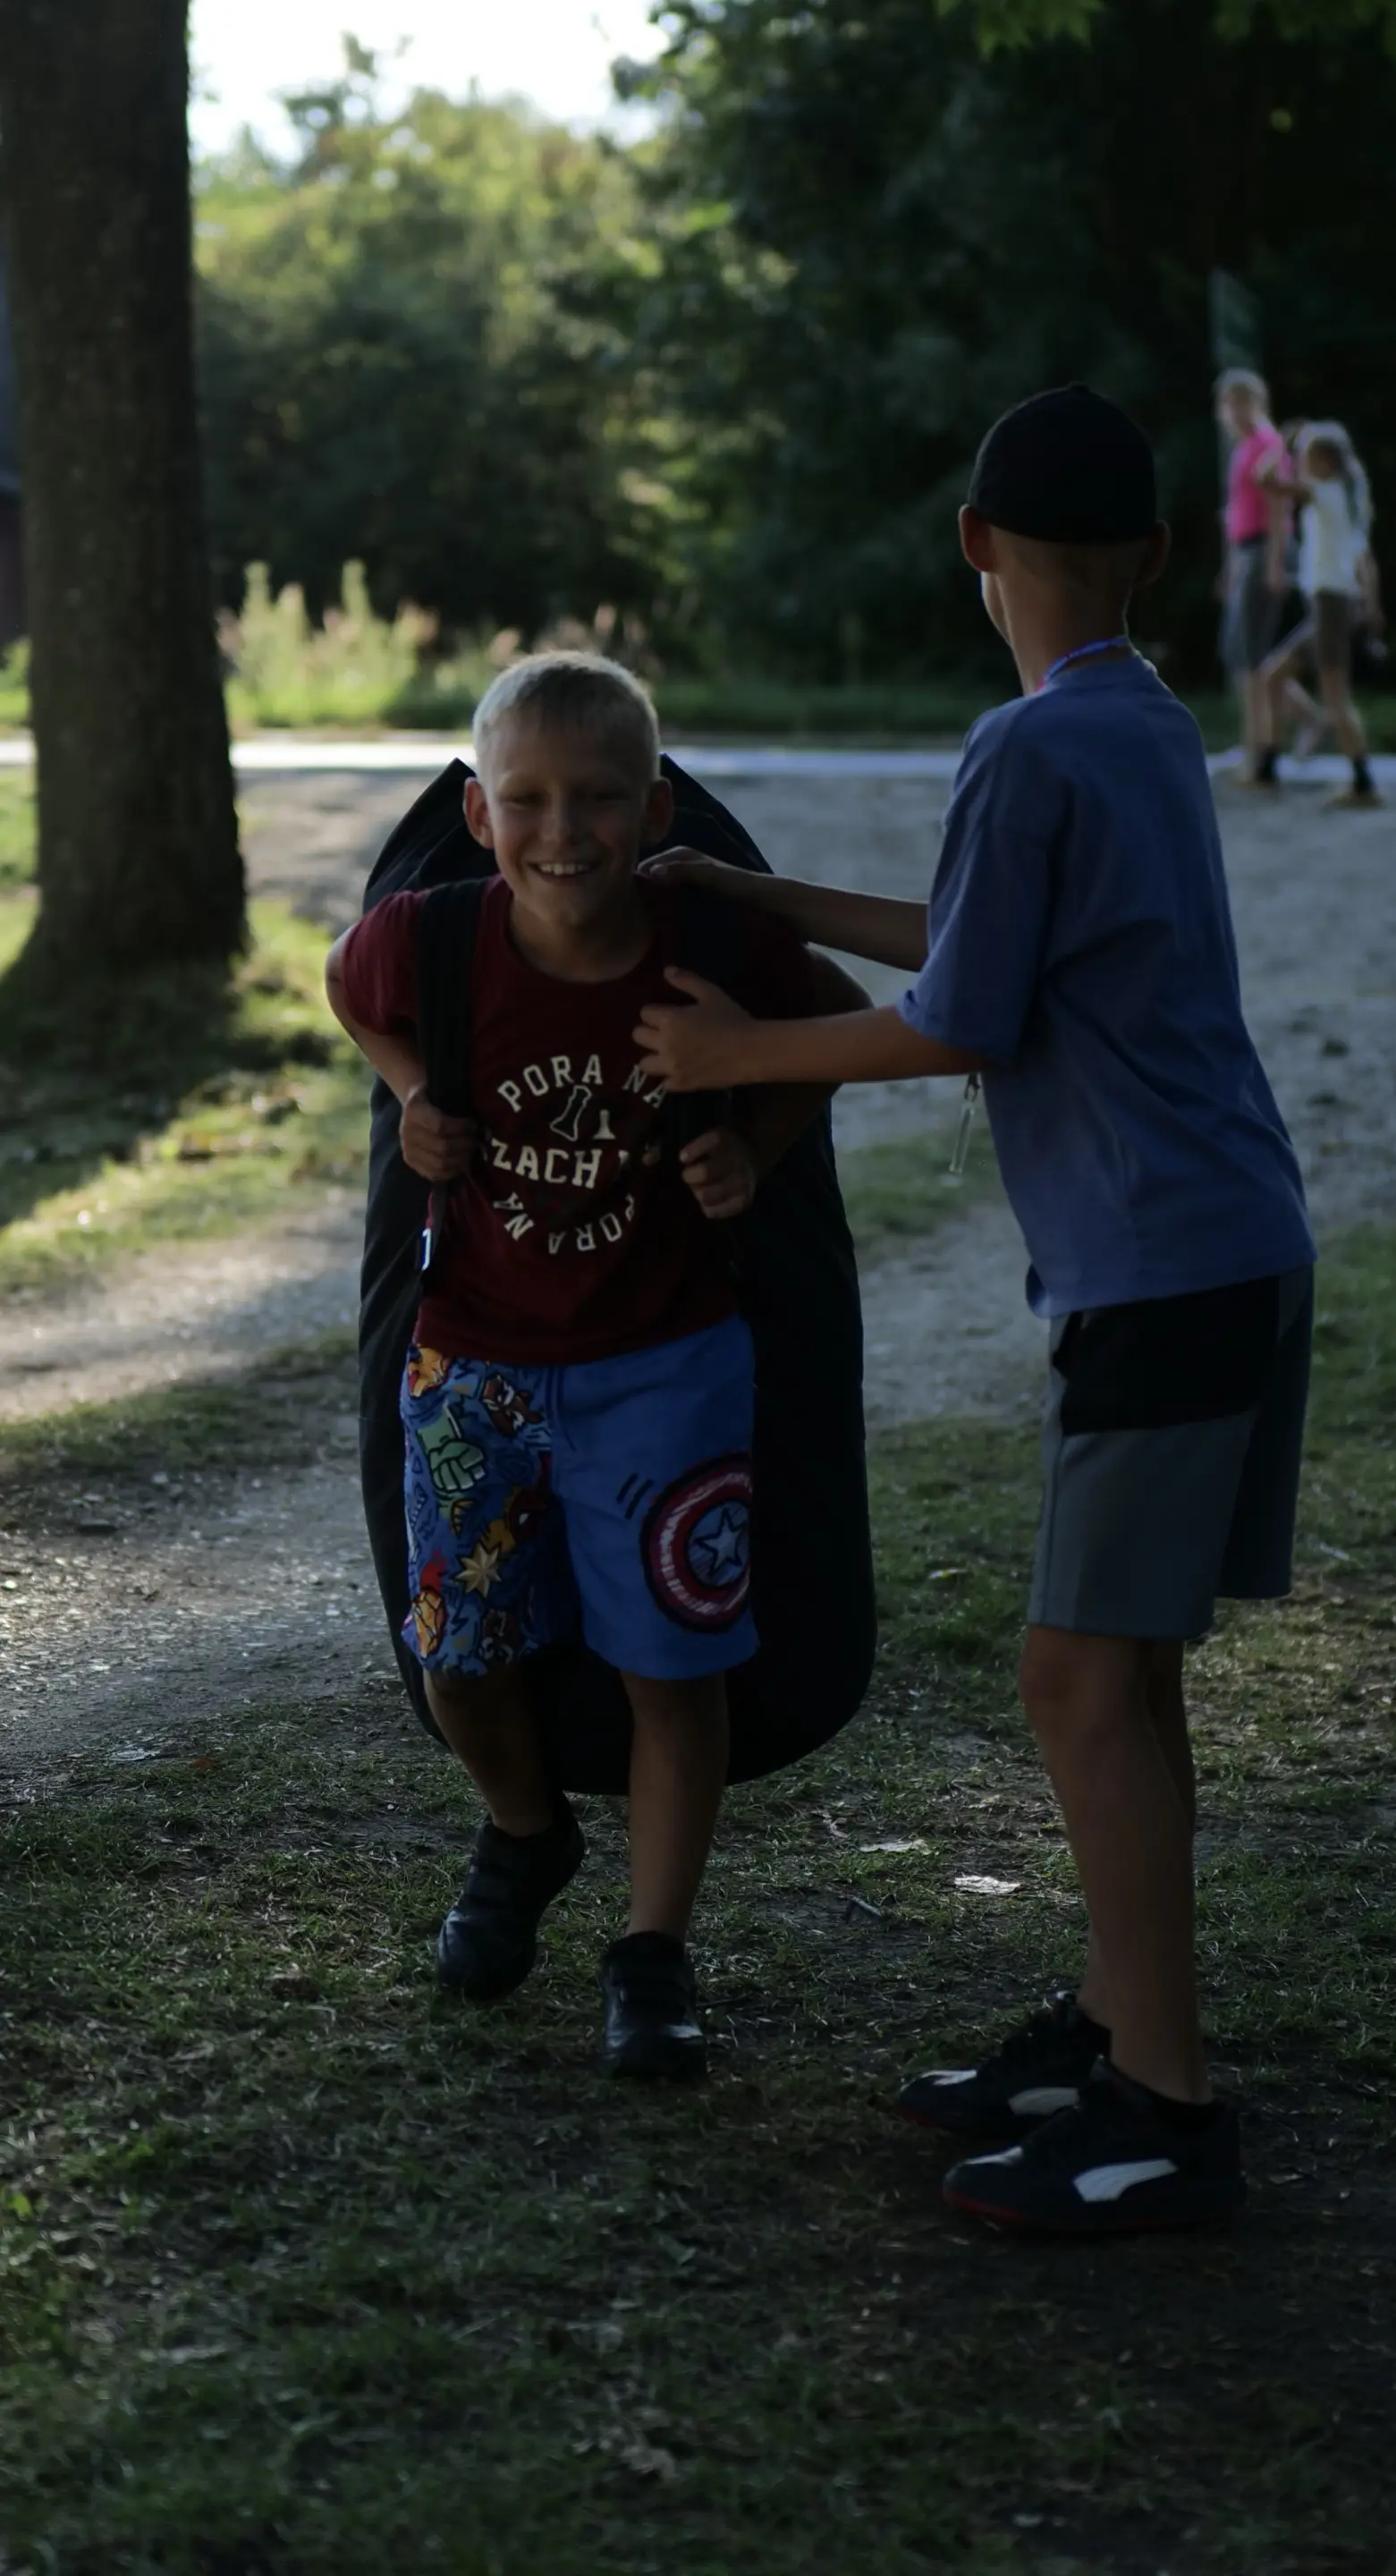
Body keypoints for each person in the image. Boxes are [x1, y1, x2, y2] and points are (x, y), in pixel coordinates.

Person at [631, 385, 1316, 2233]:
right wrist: (747, 891)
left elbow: (960, 1018)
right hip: (1230, 1246)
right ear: (1157, 556)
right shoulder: (1141, 721)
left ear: (972, 548)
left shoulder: (1026, 745)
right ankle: (1115, 2029)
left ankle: (1164, 2109)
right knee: (1125, 1675)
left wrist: (736, 1052)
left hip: (1163, 1270)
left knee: (1075, 1681)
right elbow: (974, 941)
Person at [325, 652, 841, 2079]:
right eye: (530, 800)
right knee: (457, 1661)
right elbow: (347, 985)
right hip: (470, 1374)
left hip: (665, 1368)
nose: (565, 831)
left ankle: (652, 1953)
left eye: (601, 798)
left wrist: (755, 1148)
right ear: (479, 815)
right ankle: (525, 1830)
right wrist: (411, 1091)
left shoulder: (708, 948)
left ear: (655, 807)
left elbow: (828, 1031)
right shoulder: (434, 939)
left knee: (672, 1673)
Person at [1262, 420, 1383, 809]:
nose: (1300, 463)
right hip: (1331, 605)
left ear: (1327, 462)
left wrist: (1281, 445)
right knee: (1273, 676)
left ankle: (1363, 783)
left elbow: (1265, 480)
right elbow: (1366, 560)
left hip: (1331, 605)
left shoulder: (1324, 492)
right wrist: (1372, 603)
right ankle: (1268, 769)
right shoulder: (1348, 497)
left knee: (1336, 696)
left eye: (1306, 457)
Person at [1214, 369, 1289, 789]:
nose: (1227, 414)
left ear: (1250, 404)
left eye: (1232, 405)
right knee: (1242, 652)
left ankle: (1258, 754)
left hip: (1263, 550)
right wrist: (1230, 569)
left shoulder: (1267, 444)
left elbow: (1278, 507)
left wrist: (1276, 562)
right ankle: (1295, 726)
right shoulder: (1243, 449)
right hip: (1245, 553)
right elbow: (1234, 514)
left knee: (1252, 658)